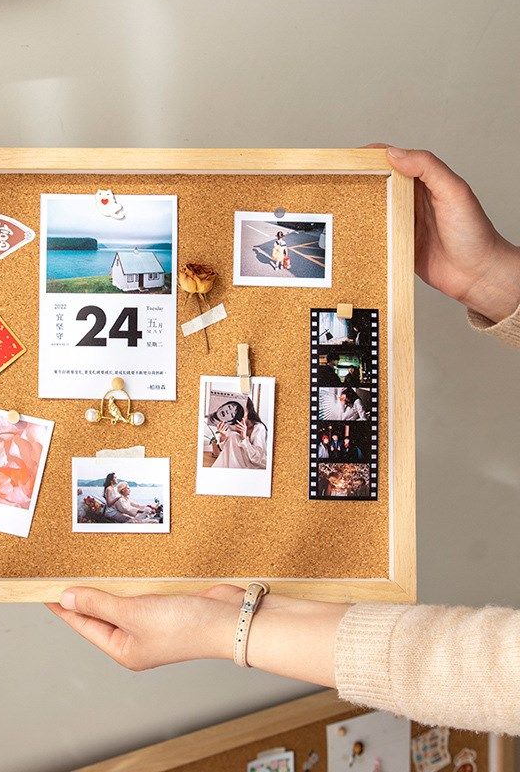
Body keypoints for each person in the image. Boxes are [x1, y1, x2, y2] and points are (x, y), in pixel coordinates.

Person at [48, 147, 520, 735]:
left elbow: (495, 673)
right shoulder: (225, 429)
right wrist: (490, 277)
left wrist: (230, 628)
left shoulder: (254, 429)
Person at [209, 398, 267, 470]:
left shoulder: (258, 428)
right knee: (233, 435)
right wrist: (223, 435)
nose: (228, 412)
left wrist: (244, 438)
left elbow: (258, 459)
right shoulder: (231, 424)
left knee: (234, 435)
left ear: (248, 411)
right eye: (229, 407)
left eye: (242, 409)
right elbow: (226, 450)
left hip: (251, 465)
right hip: (233, 464)